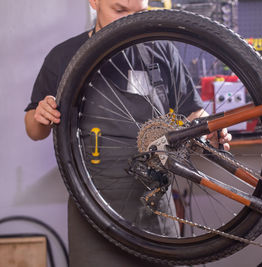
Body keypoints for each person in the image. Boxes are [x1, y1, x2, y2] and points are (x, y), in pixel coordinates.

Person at [24, 1, 231, 266]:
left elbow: (192, 112)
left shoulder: (162, 49)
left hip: (155, 211)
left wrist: (209, 129)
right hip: (92, 213)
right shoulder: (64, 56)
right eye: (119, 11)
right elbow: (33, 130)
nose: (130, 22)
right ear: (94, 2)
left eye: (139, 13)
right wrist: (41, 114)